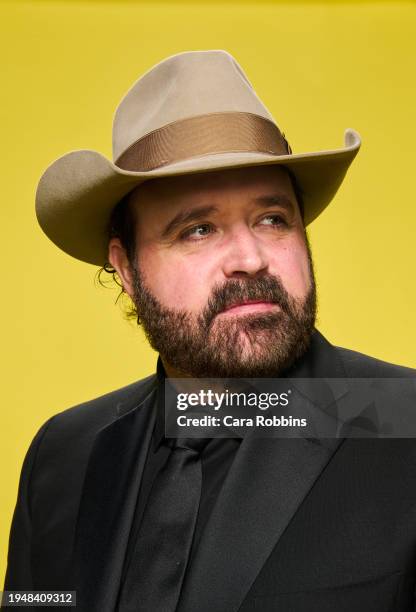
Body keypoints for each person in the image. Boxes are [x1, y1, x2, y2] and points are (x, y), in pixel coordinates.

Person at [3, 50, 416, 612]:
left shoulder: (404, 422)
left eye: (273, 219)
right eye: (197, 229)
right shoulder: (62, 455)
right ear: (125, 269)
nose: (249, 258)